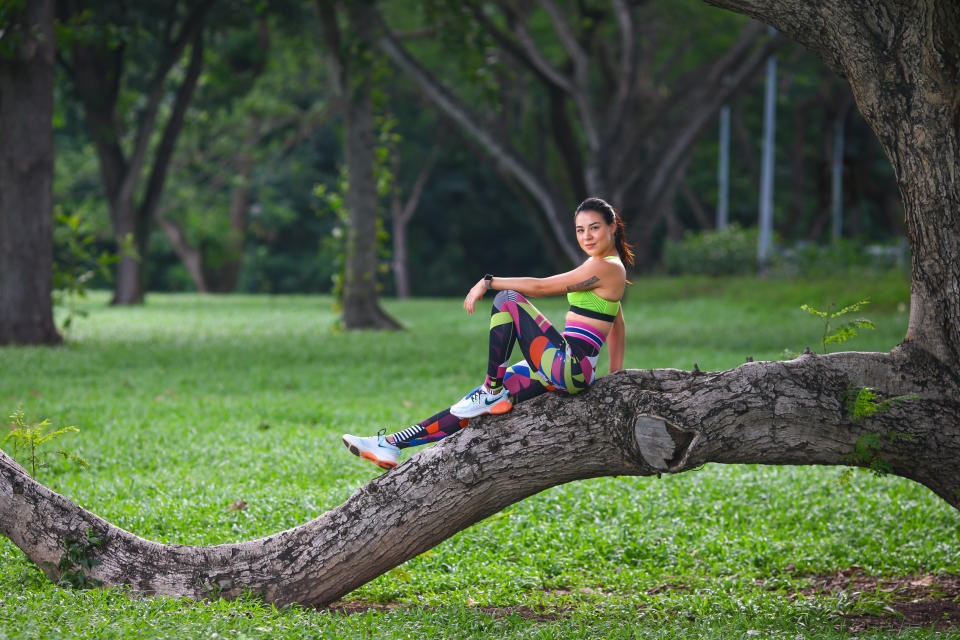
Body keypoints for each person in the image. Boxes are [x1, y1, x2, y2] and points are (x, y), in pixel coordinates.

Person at [342, 197, 634, 469]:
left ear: (612, 227)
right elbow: (616, 320)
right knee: (470, 406)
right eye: (580, 230)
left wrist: (488, 281)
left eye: (594, 228)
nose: (587, 236)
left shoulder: (606, 267)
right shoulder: (605, 269)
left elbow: (543, 287)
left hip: (569, 366)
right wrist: (615, 377)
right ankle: (390, 444)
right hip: (566, 368)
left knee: (507, 299)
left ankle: (491, 390)